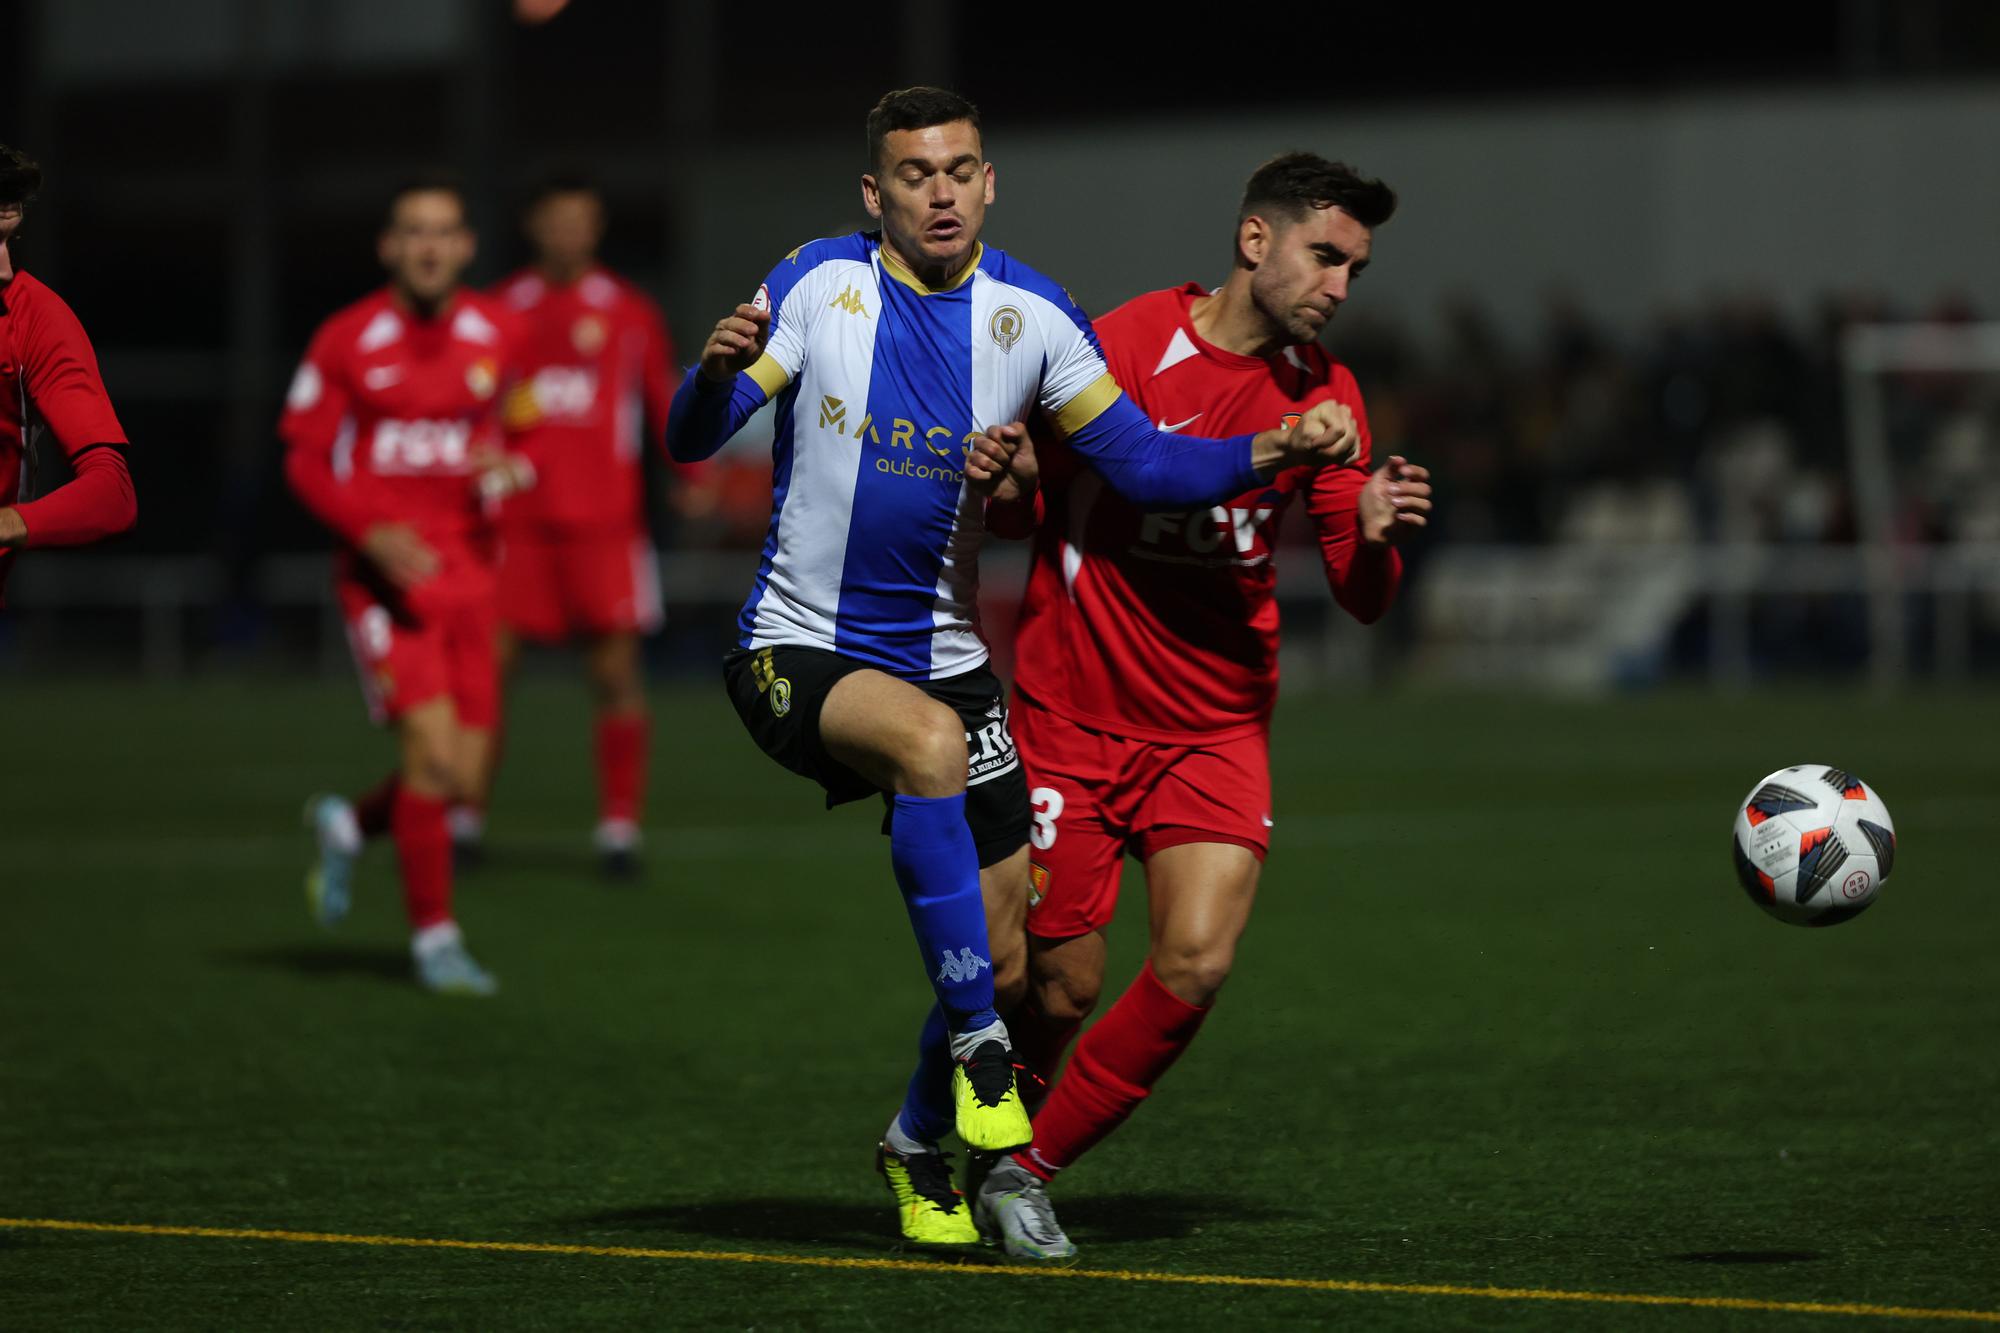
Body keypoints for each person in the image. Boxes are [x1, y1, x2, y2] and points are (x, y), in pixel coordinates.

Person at [666, 89, 1359, 1256]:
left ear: (989, 183)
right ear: (873, 195)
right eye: (913, 174)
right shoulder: (815, 283)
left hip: (945, 658)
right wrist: (707, 374)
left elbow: (1138, 463)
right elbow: (695, 435)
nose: (938, 191)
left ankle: (912, 1137)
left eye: (959, 170)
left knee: (1007, 963)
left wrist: (1269, 449)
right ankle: (987, 1062)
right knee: (930, 750)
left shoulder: (1033, 316)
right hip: (797, 645)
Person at [987, 152, 1430, 1203]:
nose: (1337, 286)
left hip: (1214, 725)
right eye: (1324, 256)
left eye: (1353, 270)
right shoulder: (1125, 344)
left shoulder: (1331, 395)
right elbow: (1022, 509)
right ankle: (955, 1124)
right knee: (1056, 985)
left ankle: (1024, 1172)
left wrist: (1368, 534)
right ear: (1253, 241)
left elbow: (1360, 593)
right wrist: (1003, 479)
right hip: (1072, 712)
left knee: (1194, 963)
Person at [282, 180, 530, 996]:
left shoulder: (499, 332)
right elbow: (305, 457)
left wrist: (512, 464)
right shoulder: (347, 339)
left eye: (446, 232)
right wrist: (368, 531)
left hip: (472, 574)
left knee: (459, 775)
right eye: (414, 232)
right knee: (430, 757)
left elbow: (522, 433)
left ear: (467, 247)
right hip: (386, 582)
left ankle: (348, 825)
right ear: (389, 247)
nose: (429, 246)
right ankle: (435, 940)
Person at [474, 178, 681, 878]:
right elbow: (473, 403)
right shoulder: (500, 310)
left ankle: (618, 830)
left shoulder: (628, 311)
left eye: (582, 222)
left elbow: (661, 399)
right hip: (515, 523)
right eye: (556, 220)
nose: (569, 233)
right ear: (534, 224)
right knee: (488, 672)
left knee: (616, 674)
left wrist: (693, 474)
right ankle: (464, 818)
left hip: (605, 523)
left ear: (596, 229)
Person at [0, 144, 138, 598]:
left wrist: (7, 523)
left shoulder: (37, 317)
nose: (4, 267)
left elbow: (111, 493)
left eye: (8, 238)